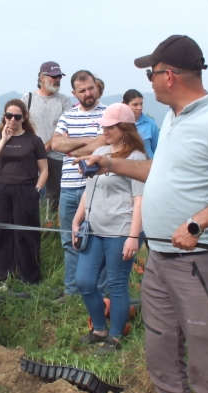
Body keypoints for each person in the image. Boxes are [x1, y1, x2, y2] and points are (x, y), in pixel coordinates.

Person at [79, 35, 208, 393]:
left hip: (198, 266)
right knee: (162, 360)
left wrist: (200, 223)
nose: (147, 81)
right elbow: (158, 174)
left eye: (151, 73)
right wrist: (109, 165)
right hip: (162, 262)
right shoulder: (174, 119)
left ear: (169, 76)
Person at [72, 104, 144, 356]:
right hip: (93, 229)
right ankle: (99, 328)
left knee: (116, 283)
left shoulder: (135, 159)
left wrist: (133, 236)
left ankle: (114, 337)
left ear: (125, 128)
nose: (106, 130)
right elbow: (89, 190)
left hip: (120, 231)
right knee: (84, 281)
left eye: (110, 126)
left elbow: (139, 200)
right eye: (104, 126)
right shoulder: (100, 152)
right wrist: (76, 221)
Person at [51, 70, 107, 300]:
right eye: (82, 90)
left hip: (96, 187)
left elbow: (103, 144)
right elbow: (55, 143)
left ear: (97, 86)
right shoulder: (67, 115)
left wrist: (71, 147)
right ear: (74, 93)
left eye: (91, 88)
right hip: (68, 187)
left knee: (98, 239)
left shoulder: (107, 114)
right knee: (68, 240)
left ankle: (100, 291)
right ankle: (72, 291)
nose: (88, 93)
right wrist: (87, 141)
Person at [0, 99, 48, 287]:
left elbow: (44, 170)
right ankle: (0, 275)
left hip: (25, 189)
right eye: (8, 115)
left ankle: (29, 277)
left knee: (26, 233)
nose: (12, 119)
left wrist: (36, 190)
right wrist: (4, 139)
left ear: (23, 118)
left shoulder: (33, 140)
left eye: (16, 116)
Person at [23, 62, 72, 209]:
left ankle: (51, 231)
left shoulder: (64, 101)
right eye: (53, 76)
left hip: (56, 157)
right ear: (42, 77)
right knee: (30, 195)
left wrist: (50, 144)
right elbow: (20, 125)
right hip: (31, 156)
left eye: (59, 76)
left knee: (53, 199)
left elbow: (68, 127)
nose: (57, 79)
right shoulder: (27, 99)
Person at [123, 89, 160, 159]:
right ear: (126, 105)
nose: (139, 108)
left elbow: (157, 148)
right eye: (135, 105)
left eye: (141, 104)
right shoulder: (120, 124)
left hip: (147, 165)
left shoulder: (150, 123)